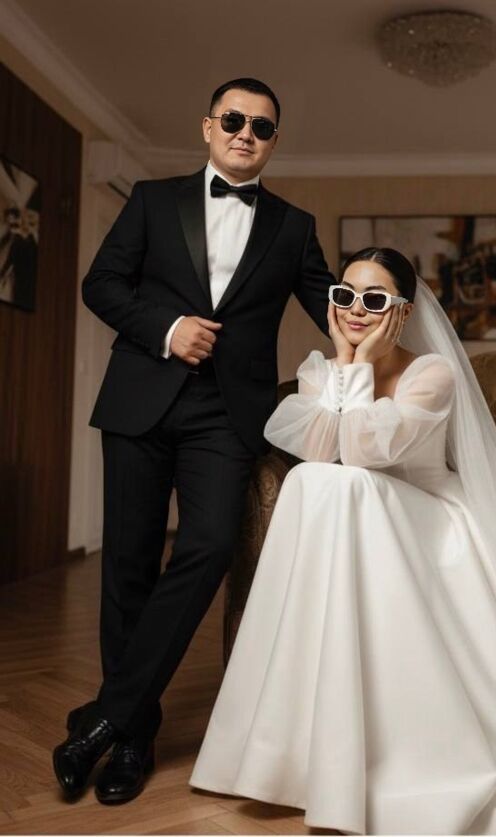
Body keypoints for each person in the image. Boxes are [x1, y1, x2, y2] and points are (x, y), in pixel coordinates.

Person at [190, 247, 496, 835]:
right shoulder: (320, 372)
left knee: (347, 485)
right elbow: (320, 452)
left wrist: (362, 363)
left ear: (403, 311)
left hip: (430, 514)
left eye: (375, 299)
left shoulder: (432, 374)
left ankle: (396, 756)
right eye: (345, 295)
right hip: (358, 512)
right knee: (314, 481)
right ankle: (294, 750)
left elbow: (365, 454)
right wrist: (345, 362)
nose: (356, 309)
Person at [52, 77, 333, 805]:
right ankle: (133, 737)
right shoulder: (151, 200)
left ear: (274, 142)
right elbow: (101, 283)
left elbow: (335, 310)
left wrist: (387, 309)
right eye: (233, 119)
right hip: (141, 397)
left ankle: (103, 716)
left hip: (227, 415)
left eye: (261, 126)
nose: (245, 133)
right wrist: (168, 328)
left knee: (207, 546)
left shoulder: (294, 227)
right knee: (128, 564)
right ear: (208, 127)